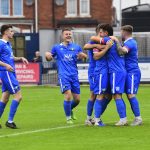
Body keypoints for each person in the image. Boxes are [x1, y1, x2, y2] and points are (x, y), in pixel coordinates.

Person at [45, 28, 87, 124]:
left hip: (74, 75)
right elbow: (49, 58)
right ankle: (68, 118)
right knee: (68, 95)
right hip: (63, 75)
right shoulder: (56, 47)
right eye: (66, 34)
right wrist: (47, 55)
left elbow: (82, 58)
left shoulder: (76, 47)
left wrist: (84, 57)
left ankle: (69, 109)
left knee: (77, 100)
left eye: (69, 34)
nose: (68, 35)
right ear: (62, 36)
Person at [90, 23, 127, 126]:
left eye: (101, 32)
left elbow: (92, 38)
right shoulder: (114, 41)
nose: (99, 34)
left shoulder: (108, 40)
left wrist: (109, 40)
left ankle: (97, 120)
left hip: (115, 72)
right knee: (112, 95)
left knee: (114, 95)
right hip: (116, 71)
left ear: (106, 33)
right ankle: (122, 119)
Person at [113, 25, 142, 126]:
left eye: (121, 32)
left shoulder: (130, 42)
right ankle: (123, 119)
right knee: (122, 94)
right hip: (126, 72)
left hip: (132, 72)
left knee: (130, 95)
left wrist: (116, 42)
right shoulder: (127, 42)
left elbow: (122, 51)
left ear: (125, 32)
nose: (120, 34)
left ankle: (138, 118)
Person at [0, 25, 28, 129]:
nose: (13, 33)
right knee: (18, 96)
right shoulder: (1, 44)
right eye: (11, 31)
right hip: (6, 72)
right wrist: (6, 65)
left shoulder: (8, 44)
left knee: (5, 98)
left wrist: (20, 58)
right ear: (5, 32)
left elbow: (11, 57)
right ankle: (10, 121)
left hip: (10, 72)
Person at [83, 25, 111, 126]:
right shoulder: (94, 41)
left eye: (102, 32)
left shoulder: (105, 41)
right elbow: (85, 46)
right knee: (94, 94)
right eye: (99, 32)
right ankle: (89, 118)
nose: (101, 34)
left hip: (104, 71)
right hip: (95, 71)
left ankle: (96, 117)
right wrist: (96, 46)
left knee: (109, 96)